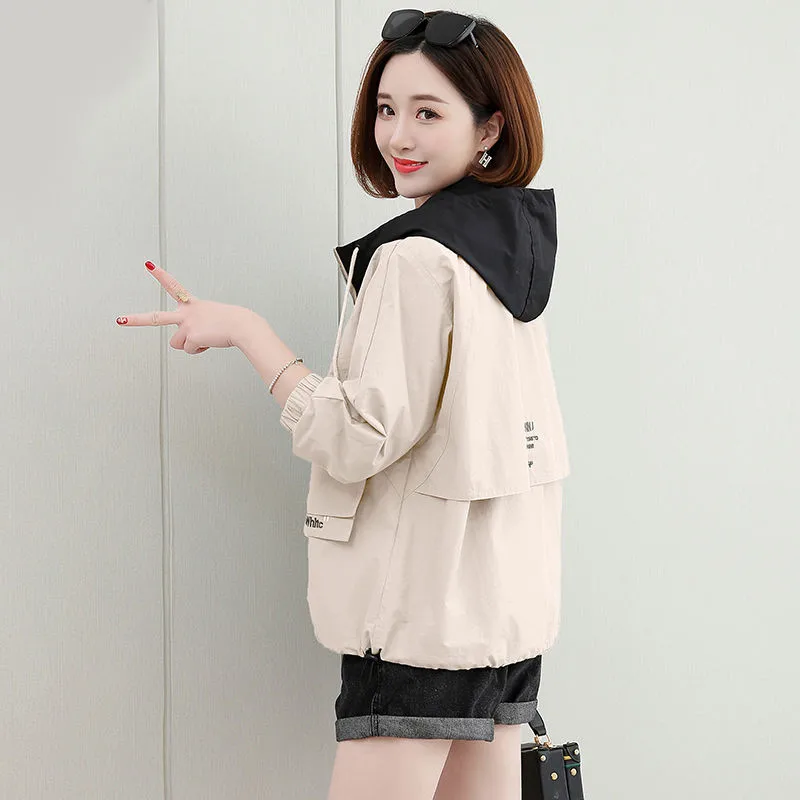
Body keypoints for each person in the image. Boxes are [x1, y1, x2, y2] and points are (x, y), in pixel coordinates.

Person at [117, 9, 570, 800]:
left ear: (490, 126)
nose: (398, 135)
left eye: (428, 113)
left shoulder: (417, 260)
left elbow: (358, 436)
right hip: (501, 620)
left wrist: (247, 332)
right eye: (387, 109)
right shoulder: (509, 253)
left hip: (418, 625)